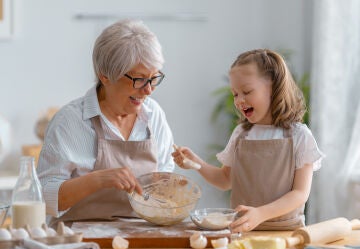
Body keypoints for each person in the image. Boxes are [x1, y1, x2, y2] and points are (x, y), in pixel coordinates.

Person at [37, 19, 175, 227]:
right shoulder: (70, 122)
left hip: (141, 235)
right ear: (105, 76)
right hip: (78, 240)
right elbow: (44, 199)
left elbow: (164, 177)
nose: (148, 90)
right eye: (138, 79)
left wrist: (169, 186)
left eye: (154, 78)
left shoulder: (153, 114)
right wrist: (98, 180)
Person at [173, 49, 324, 232]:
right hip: (242, 231)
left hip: (286, 232)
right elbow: (225, 179)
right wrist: (195, 163)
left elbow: (300, 194)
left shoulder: (299, 135)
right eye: (235, 94)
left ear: (274, 87)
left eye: (247, 91)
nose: (239, 100)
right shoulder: (241, 134)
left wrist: (261, 214)